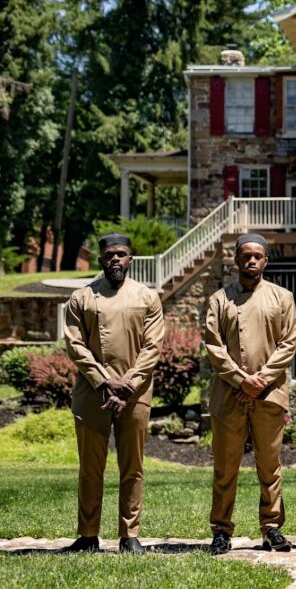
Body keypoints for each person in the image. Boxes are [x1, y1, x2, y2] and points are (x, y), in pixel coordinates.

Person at [63, 233, 165, 554]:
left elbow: (152, 347)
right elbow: (75, 345)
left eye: (121, 254)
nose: (115, 260)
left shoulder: (147, 297)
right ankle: (88, 535)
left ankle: (129, 534)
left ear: (131, 258)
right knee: (90, 468)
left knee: (132, 467)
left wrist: (128, 384)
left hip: (135, 395)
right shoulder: (82, 298)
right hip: (93, 393)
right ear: (101, 260)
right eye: (109, 256)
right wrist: (105, 381)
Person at [204, 233, 296, 555]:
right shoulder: (220, 300)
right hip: (229, 396)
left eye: (258, 256)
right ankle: (221, 530)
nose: (252, 261)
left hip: (269, 396)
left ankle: (272, 528)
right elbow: (213, 346)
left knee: (270, 466)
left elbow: (289, 344)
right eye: (246, 256)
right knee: (225, 467)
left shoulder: (282, 298)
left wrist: (259, 381)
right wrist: (240, 380)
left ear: (266, 261)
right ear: (236, 259)